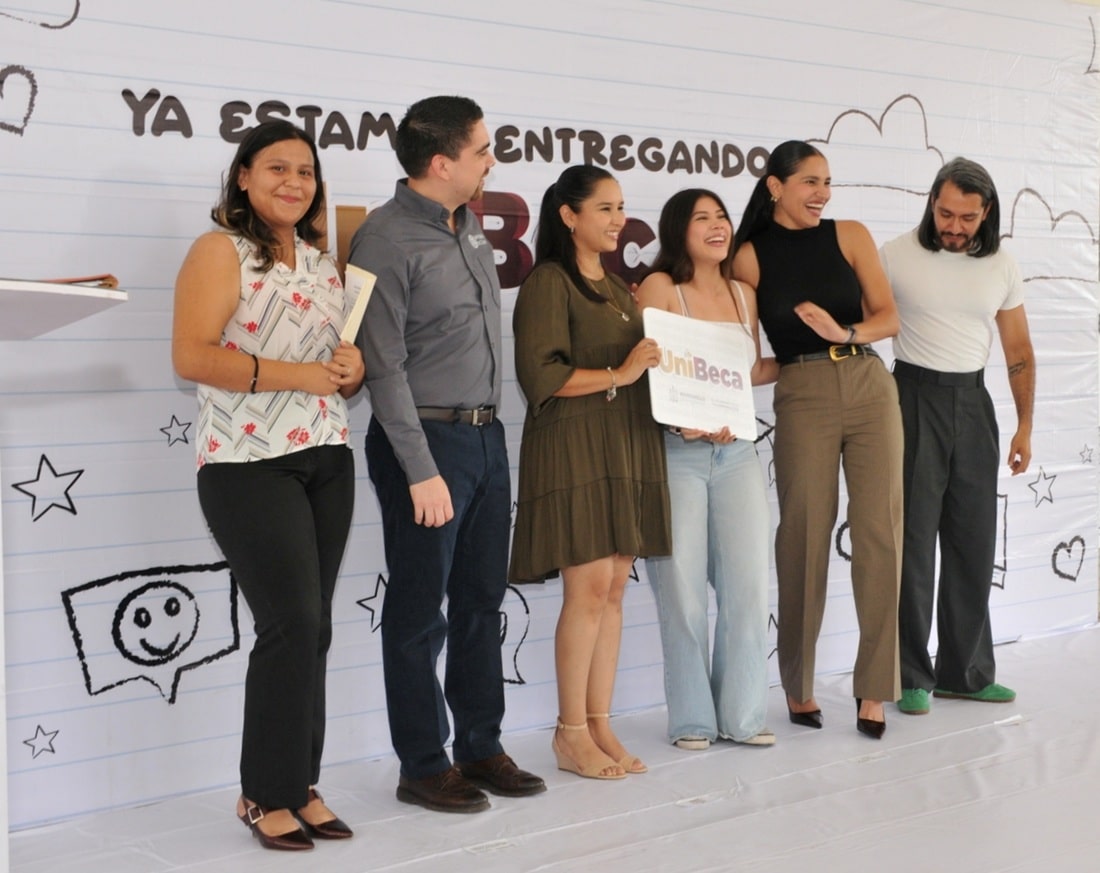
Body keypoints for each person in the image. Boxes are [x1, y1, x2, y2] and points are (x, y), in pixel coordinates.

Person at [348, 95, 544, 814]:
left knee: (481, 601)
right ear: (441, 163)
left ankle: (481, 746)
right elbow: (383, 366)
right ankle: (423, 764)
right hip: (425, 444)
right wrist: (421, 469)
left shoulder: (468, 230)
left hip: (486, 438)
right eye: (482, 149)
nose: (492, 160)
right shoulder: (383, 239)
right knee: (417, 613)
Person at [172, 120, 363, 850]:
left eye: (306, 171)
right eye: (277, 168)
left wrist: (351, 371)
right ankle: (262, 793)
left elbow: (336, 367)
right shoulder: (218, 250)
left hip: (327, 454)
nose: (294, 182)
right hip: (245, 460)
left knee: (314, 627)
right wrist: (302, 376)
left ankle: (299, 784)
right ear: (244, 177)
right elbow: (192, 356)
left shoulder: (321, 262)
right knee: (290, 623)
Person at [732, 140, 903, 739]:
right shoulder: (748, 257)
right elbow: (744, 352)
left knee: (881, 531)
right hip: (801, 389)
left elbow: (888, 318)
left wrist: (843, 331)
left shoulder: (849, 235)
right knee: (803, 532)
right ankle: (798, 683)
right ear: (775, 186)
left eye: (827, 182)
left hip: (868, 383)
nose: (822, 193)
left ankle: (874, 689)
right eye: (810, 181)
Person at [510, 164, 671, 779]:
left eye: (621, 207)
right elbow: (541, 375)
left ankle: (599, 723)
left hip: (624, 445)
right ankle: (569, 732)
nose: (618, 219)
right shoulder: (548, 282)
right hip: (573, 445)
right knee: (587, 589)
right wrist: (621, 374)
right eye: (604, 207)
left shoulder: (621, 290)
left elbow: (638, 370)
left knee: (614, 588)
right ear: (568, 215)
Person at [880, 157, 1034, 716]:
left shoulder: (1001, 264)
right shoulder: (895, 254)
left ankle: (964, 674)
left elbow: (1018, 350)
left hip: (973, 403)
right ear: (932, 202)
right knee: (914, 544)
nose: (954, 226)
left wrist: (1025, 426)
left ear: (985, 212)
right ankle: (909, 676)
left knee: (973, 542)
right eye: (945, 213)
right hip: (912, 396)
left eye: (967, 217)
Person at [635, 188, 777, 751]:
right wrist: (685, 419)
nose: (718, 226)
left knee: (749, 585)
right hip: (678, 454)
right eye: (703, 218)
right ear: (679, 230)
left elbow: (749, 370)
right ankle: (693, 720)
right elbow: (649, 371)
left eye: (722, 216)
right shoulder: (659, 288)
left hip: (738, 451)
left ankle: (742, 716)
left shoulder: (745, 294)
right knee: (683, 590)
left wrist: (807, 357)